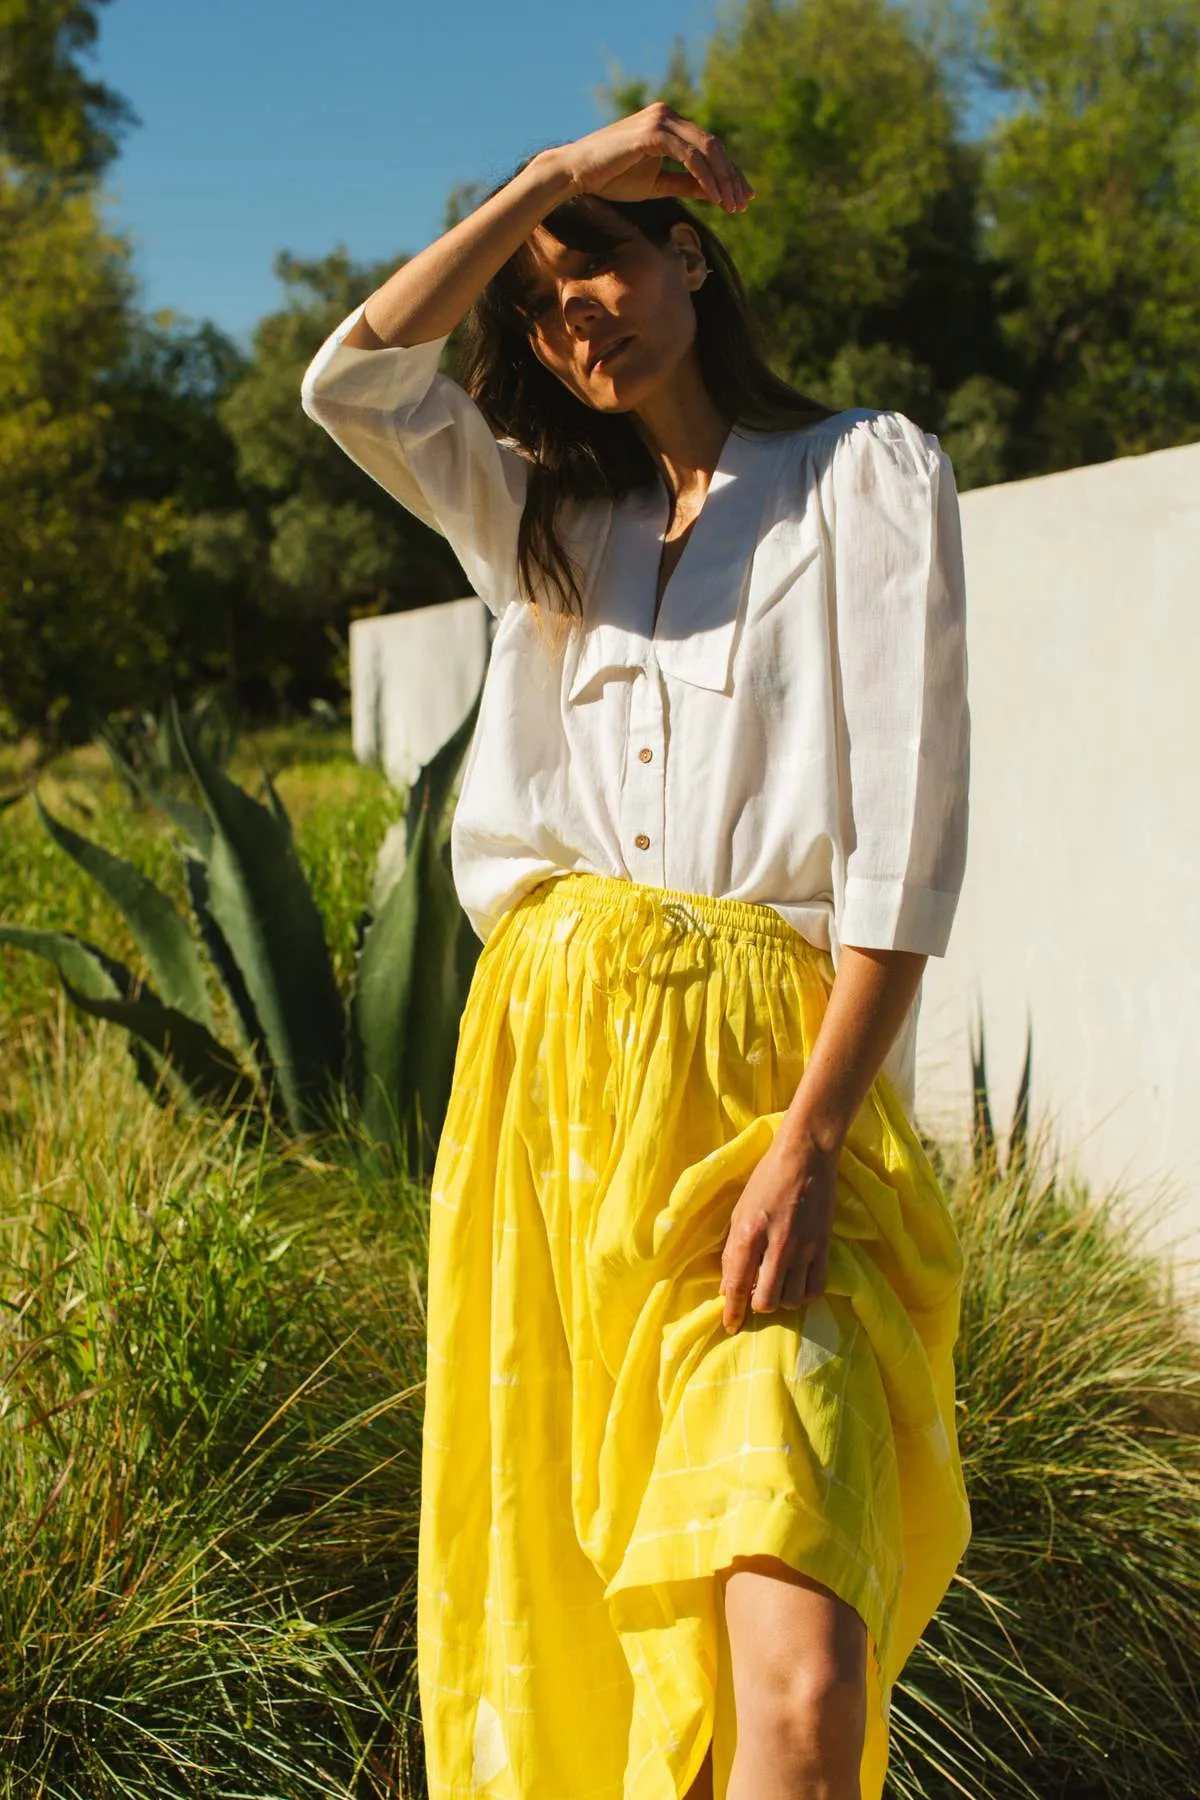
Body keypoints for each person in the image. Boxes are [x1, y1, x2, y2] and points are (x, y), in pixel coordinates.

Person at [300, 101, 972, 1800]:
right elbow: (351, 384)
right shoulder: (536, 520)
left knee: (801, 1676)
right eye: (536, 300)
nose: (569, 310)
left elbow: (904, 836)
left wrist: (815, 1140)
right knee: (579, 1625)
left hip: (760, 1103)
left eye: (595, 260)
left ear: (687, 251)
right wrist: (543, 183)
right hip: (553, 1105)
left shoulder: (860, 477)